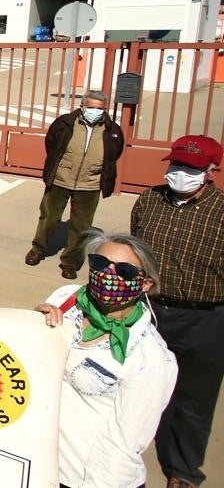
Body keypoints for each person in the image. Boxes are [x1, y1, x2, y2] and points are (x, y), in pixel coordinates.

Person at [33, 231, 177, 488]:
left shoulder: (150, 359)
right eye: (100, 264)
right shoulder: (66, 299)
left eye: (124, 271)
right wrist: (32, 324)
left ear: (145, 284)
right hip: (41, 466)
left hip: (83, 479)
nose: (109, 275)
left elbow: (124, 445)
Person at [130, 134, 224, 488]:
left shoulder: (222, 212)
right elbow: (136, 246)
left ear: (211, 172)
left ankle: (184, 470)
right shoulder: (149, 200)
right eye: (177, 164)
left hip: (205, 318)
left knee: (193, 400)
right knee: (136, 387)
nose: (180, 173)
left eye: (192, 168)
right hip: (150, 313)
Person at [25, 90, 125, 279]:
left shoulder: (112, 130)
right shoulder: (65, 123)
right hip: (61, 179)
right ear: (82, 107)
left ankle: (70, 262)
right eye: (91, 107)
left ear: (105, 109)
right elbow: (51, 144)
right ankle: (37, 249)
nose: (95, 111)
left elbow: (115, 153)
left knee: (81, 226)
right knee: (49, 217)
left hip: (90, 184)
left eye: (99, 109)